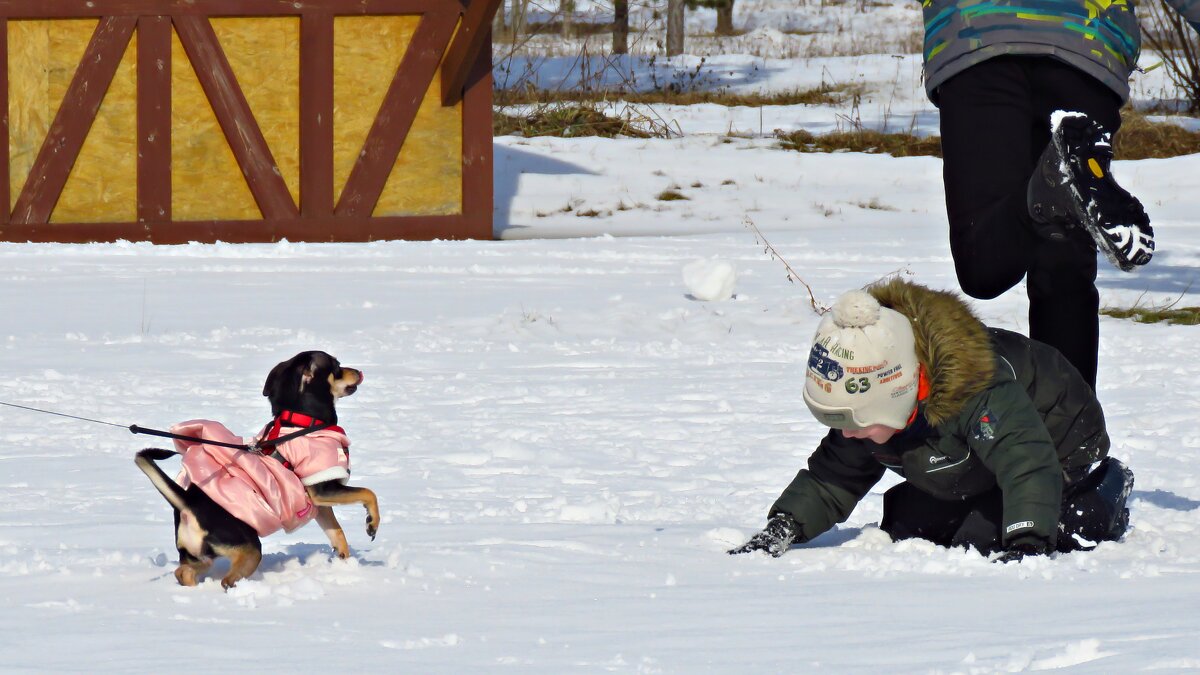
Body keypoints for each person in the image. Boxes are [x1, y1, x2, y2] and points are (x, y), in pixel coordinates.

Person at [728, 279, 1134, 562]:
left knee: (988, 537)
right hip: (979, 455)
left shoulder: (978, 389)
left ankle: (1105, 490)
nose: (848, 434)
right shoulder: (875, 408)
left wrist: (1028, 540)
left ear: (896, 398)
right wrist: (785, 526)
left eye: (857, 423)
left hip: (1057, 448)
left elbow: (1026, 460)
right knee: (909, 522)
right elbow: (833, 475)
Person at [927, 2, 1200, 389]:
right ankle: (1075, 444)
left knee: (984, 263)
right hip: (1089, 40)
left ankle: (1052, 192)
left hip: (978, 30)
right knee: (1064, 269)